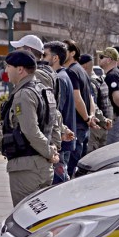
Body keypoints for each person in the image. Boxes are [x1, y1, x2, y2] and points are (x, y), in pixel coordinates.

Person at [0, 50, 59, 206]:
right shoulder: (44, 90)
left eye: (8, 66)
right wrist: (53, 148)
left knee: (26, 220)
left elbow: (30, 131)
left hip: (27, 168)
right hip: (42, 166)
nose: (6, 71)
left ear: (20, 69)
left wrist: (49, 152)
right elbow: (55, 122)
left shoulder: (24, 94)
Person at [43, 41, 76, 183]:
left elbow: (55, 112)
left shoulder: (59, 78)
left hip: (60, 142)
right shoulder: (62, 76)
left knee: (58, 183)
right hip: (63, 140)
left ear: (55, 58)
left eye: (45, 55)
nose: (42, 58)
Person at [63, 39, 96, 177]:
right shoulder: (82, 70)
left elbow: (78, 98)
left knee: (70, 169)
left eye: (64, 49)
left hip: (77, 126)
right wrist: (90, 116)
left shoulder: (71, 72)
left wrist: (87, 118)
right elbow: (90, 98)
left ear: (72, 53)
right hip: (84, 126)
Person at [80, 54, 113, 152]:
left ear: (84, 65)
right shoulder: (101, 80)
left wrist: (103, 120)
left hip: (96, 126)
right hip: (104, 126)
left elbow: (93, 105)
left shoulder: (90, 82)